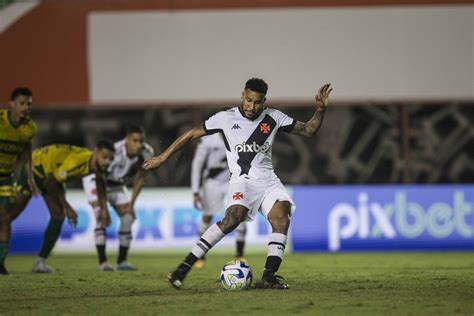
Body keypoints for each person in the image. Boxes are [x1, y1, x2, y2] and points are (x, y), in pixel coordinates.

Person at [144, 78, 332, 289]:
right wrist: (162, 158)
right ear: (243, 95)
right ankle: (183, 268)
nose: (252, 107)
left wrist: (320, 109)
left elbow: (308, 130)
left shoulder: (273, 117)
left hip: (268, 181)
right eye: (249, 100)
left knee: (282, 216)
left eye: (257, 102)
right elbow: (190, 135)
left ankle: (269, 276)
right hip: (242, 181)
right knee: (233, 218)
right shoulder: (225, 118)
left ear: (264, 101)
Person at [12, 142, 115, 273]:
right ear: (95, 152)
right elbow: (50, 183)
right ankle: (39, 262)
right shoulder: (76, 163)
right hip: (36, 168)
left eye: (110, 159)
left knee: (57, 215)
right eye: (105, 157)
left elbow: (100, 183)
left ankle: (40, 263)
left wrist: (105, 210)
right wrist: (68, 207)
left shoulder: (96, 165)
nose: (107, 162)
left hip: (50, 173)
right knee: (11, 213)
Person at [82, 125, 154, 271]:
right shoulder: (114, 153)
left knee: (128, 217)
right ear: (126, 139)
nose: (139, 145)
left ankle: (122, 261)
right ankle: (103, 263)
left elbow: (140, 178)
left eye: (141, 141)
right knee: (101, 216)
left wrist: (131, 203)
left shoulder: (147, 152)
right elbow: (99, 177)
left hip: (116, 185)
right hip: (96, 180)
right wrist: (104, 208)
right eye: (135, 141)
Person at [191, 132, 247, 268]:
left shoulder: (241, 138)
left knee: (240, 215)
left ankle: (239, 255)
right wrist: (195, 191)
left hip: (232, 182)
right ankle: (200, 255)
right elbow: (197, 164)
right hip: (212, 184)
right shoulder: (208, 140)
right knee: (207, 217)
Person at [0, 87, 38, 275]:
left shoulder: (30, 128)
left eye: (29, 104)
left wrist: (30, 178)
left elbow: (26, 154)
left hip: (6, 177)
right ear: (12, 104)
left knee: (5, 217)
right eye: (22, 103)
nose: (26, 108)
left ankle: (0, 262)